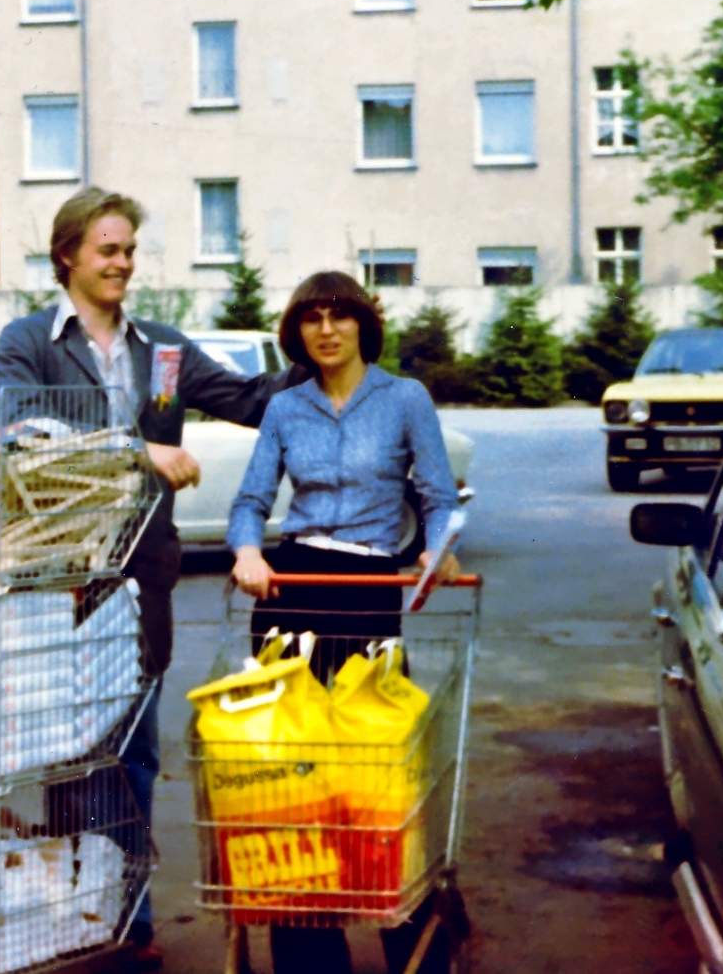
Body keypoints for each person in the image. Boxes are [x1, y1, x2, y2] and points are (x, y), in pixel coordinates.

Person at [0, 187, 305, 970]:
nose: (122, 264)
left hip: (141, 577)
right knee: (68, 749)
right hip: (56, 577)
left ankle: (124, 919)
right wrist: (136, 450)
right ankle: (76, 908)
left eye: (129, 250)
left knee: (131, 747)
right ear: (68, 255)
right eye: (107, 250)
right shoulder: (28, 340)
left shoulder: (161, 350)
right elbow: (22, 427)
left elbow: (242, 398)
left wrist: (323, 349)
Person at [228, 270, 462, 974]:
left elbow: (439, 495)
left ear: (364, 324)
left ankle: (410, 935)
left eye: (339, 316)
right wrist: (245, 549)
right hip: (292, 591)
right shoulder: (285, 406)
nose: (325, 329)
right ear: (295, 331)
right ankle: (307, 948)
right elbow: (249, 498)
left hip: (365, 590)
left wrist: (437, 544)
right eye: (310, 318)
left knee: (376, 774)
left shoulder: (404, 400)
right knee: (290, 780)